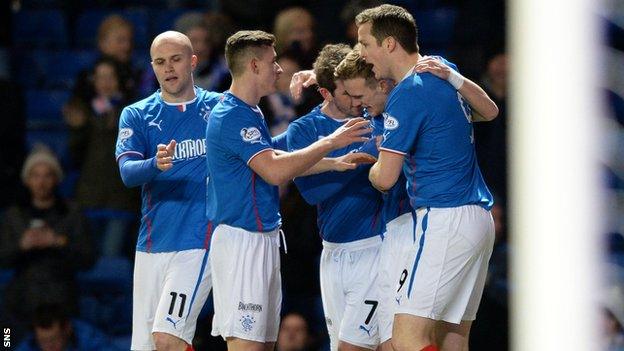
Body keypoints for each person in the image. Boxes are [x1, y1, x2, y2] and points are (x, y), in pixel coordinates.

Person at [205, 30, 371, 351]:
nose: (280, 69)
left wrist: (334, 164)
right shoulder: (230, 116)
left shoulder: (250, 111)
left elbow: (276, 158)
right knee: (247, 346)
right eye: (273, 62)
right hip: (242, 241)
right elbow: (275, 170)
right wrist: (330, 143)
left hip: (263, 238)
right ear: (254, 66)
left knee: (265, 345)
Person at [357, 5, 496, 351]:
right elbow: (489, 111)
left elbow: (386, 179)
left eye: (364, 44)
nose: (362, 54)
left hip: (444, 220)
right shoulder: (441, 69)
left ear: (389, 44)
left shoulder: (407, 93)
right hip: (477, 219)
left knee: (407, 339)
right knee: (451, 339)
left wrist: (373, 162)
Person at [114, 31, 220, 351]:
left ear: (192, 62)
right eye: (160, 62)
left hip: (200, 240)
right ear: (152, 67)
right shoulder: (136, 114)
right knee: (146, 346)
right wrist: (154, 165)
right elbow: (127, 173)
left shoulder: (219, 108)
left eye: (175, 59)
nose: (168, 68)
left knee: (167, 338)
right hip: (151, 243)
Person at [286, 43, 384, 351]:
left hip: (376, 247)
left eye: (360, 92)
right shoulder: (303, 130)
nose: (358, 101)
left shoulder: (377, 116)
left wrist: (323, 167)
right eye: (348, 94)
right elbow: (312, 192)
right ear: (326, 92)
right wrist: (358, 160)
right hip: (331, 253)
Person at [0, 148, 95, 343]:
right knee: (5, 338)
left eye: (47, 176)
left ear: (57, 179)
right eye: (35, 176)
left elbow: (87, 259)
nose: (41, 183)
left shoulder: (72, 213)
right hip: (20, 299)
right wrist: (21, 245)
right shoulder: (13, 215)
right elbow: (2, 258)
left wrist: (58, 242)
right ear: (27, 180)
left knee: (55, 339)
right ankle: (6, 344)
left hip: (60, 299)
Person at [15, 304, 121, 351]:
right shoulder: (29, 343)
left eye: (54, 339)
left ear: (67, 329)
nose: (49, 347)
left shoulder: (89, 338)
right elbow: (7, 337)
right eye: (43, 341)